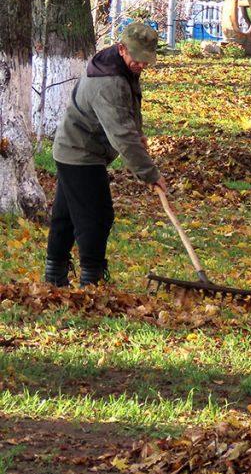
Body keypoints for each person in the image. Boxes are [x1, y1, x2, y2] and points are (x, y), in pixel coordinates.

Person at [46, 23, 167, 287]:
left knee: (66, 217)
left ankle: (54, 276)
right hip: (80, 152)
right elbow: (121, 135)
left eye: (146, 60)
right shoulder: (108, 81)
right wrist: (149, 173)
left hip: (76, 148)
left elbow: (127, 110)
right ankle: (93, 280)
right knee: (97, 216)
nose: (141, 65)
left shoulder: (117, 65)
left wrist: (138, 132)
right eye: (138, 58)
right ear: (122, 48)